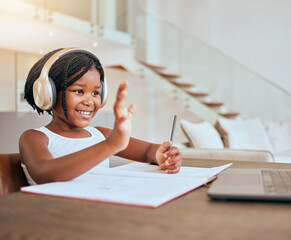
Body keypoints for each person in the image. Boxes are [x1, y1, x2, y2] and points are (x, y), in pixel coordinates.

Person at [19, 48, 182, 185]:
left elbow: (148, 151)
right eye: (78, 91)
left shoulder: (100, 135)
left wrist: (162, 155)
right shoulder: (35, 138)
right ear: (49, 93)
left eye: (96, 93)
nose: (89, 101)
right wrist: (111, 145)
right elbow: (46, 174)